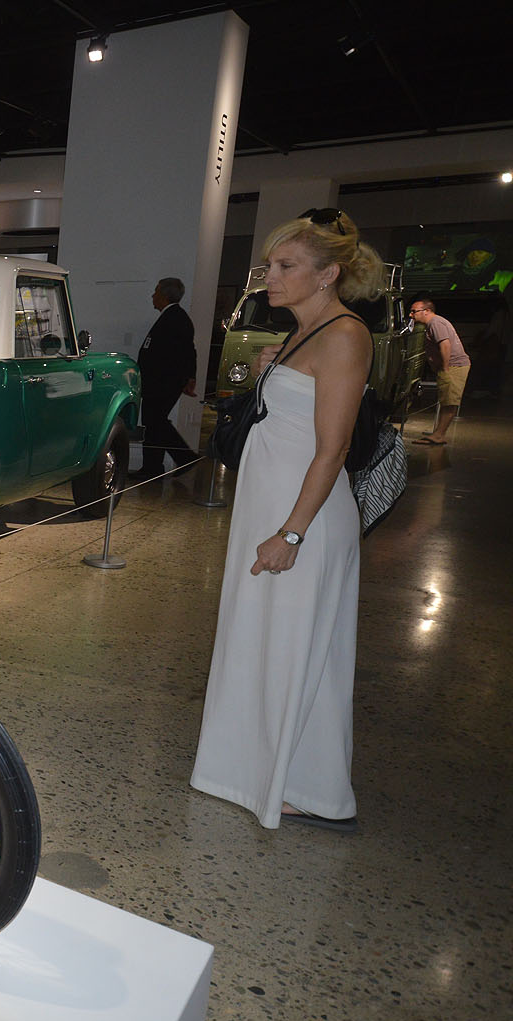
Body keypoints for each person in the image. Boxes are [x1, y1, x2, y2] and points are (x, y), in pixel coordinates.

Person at [191, 208, 382, 832]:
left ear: (328, 273)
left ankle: (304, 786)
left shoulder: (345, 334)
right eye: (269, 265)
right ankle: (267, 775)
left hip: (306, 519)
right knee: (265, 644)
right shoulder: (305, 333)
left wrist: (292, 533)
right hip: (273, 509)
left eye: (285, 266)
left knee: (301, 652)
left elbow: (333, 449)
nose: (269, 277)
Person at [132, 277, 200, 479]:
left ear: (164, 295)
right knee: (154, 424)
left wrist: (188, 378)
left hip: (163, 382)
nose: (153, 295)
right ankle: (153, 467)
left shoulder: (176, 318)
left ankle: (184, 457)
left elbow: (188, 352)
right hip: (159, 381)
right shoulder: (170, 317)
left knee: (156, 422)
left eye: (156, 291)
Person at [409, 299, 470, 444]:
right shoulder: (432, 324)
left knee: (449, 402)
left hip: (454, 366)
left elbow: (445, 345)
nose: (411, 315)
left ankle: (439, 435)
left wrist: (445, 368)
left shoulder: (435, 323)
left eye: (414, 311)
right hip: (452, 366)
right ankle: (438, 433)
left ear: (427, 311)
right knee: (447, 401)